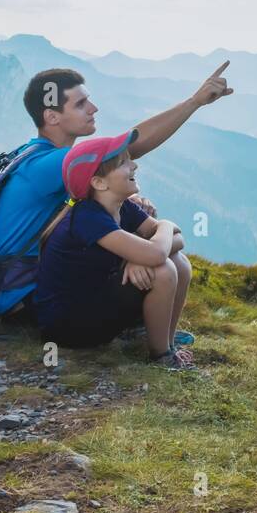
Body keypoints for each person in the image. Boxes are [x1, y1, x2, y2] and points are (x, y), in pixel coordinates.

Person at [0, 63, 232, 320]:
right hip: (24, 300)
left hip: (23, 290)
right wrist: (194, 102)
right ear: (52, 117)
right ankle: (155, 343)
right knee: (161, 261)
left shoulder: (34, 155)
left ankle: (157, 330)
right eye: (80, 104)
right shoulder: (49, 164)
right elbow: (131, 146)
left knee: (168, 255)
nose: (93, 109)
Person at [33, 132, 193, 368]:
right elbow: (159, 252)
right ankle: (162, 357)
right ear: (99, 182)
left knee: (180, 262)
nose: (134, 165)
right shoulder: (87, 216)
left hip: (95, 302)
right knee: (164, 268)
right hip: (69, 327)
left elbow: (177, 242)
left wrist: (140, 255)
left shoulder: (123, 206)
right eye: (123, 163)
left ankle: (167, 343)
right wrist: (166, 226)